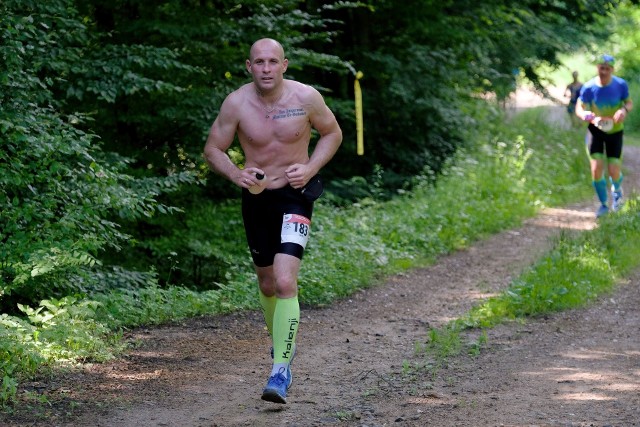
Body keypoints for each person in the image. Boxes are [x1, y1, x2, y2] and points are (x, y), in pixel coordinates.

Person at [203, 38, 343, 404]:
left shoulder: (306, 98)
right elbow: (212, 148)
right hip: (257, 197)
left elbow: (333, 132)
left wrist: (311, 167)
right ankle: (283, 344)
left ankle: (280, 368)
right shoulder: (237, 103)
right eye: (259, 62)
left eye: (272, 61)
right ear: (249, 67)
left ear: (285, 65)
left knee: (284, 280)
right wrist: (237, 175)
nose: (266, 68)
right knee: (266, 284)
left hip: (296, 195)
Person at [575, 54, 632, 218]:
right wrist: (584, 114)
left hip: (615, 131)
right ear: (597, 68)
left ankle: (617, 195)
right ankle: (603, 205)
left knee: (614, 170)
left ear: (612, 70)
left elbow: (628, 102)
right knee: (596, 168)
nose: (604, 71)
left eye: (607, 69)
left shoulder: (620, 85)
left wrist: (623, 110)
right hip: (596, 131)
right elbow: (580, 106)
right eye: (601, 68)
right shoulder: (588, 87)